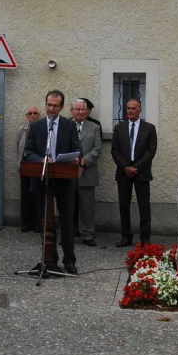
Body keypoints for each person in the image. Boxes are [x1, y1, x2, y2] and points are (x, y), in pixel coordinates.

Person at [24, 90, 81, 274]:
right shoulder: (36, 126)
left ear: (62, 107)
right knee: (45, 220)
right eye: (49, 104)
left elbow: (77, 148)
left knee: (66, 220)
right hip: (42, 177)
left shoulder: (69, 126)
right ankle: (49, 258)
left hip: (64, 178)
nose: (51, 108)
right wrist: (40, 159)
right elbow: (28, 151)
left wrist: (74, 158)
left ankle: (69, 260)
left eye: (55, 105)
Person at [111, 99, 158, 247]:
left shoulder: (149, 128)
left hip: (141, 171)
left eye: (133, 108)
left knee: (143, 205)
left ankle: (145, 237)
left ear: (140, 110)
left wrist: (136, 167)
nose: (130, 111)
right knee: (123, 205)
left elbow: (151, 151)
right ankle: (126, 236)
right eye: (128, 108)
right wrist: (125, 167)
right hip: (123, 172)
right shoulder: (119, 128)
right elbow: (115, 150)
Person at [71, 99, 102, 247]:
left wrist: (84, 161)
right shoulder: (65, 125)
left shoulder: (94, 127)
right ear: (72, 111)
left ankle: (87, 234)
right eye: (77, 109)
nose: (81, 112)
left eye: (83, 109)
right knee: (67, 205)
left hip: (87, 171)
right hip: (68, 171)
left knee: (87, 206)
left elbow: (97, 148)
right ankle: (67, 232)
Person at [16, 105, 40, 233]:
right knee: (25, 194)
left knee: (36, 194)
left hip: (37, 166)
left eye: (35, 113)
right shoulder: (22, 129)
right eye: (30, 113)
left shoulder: (43, 129)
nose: (32, 115)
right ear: (27, 116)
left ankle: (37, 223)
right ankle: (26, 222)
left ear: (39, 115)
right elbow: (18, 146)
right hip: (25, 165)